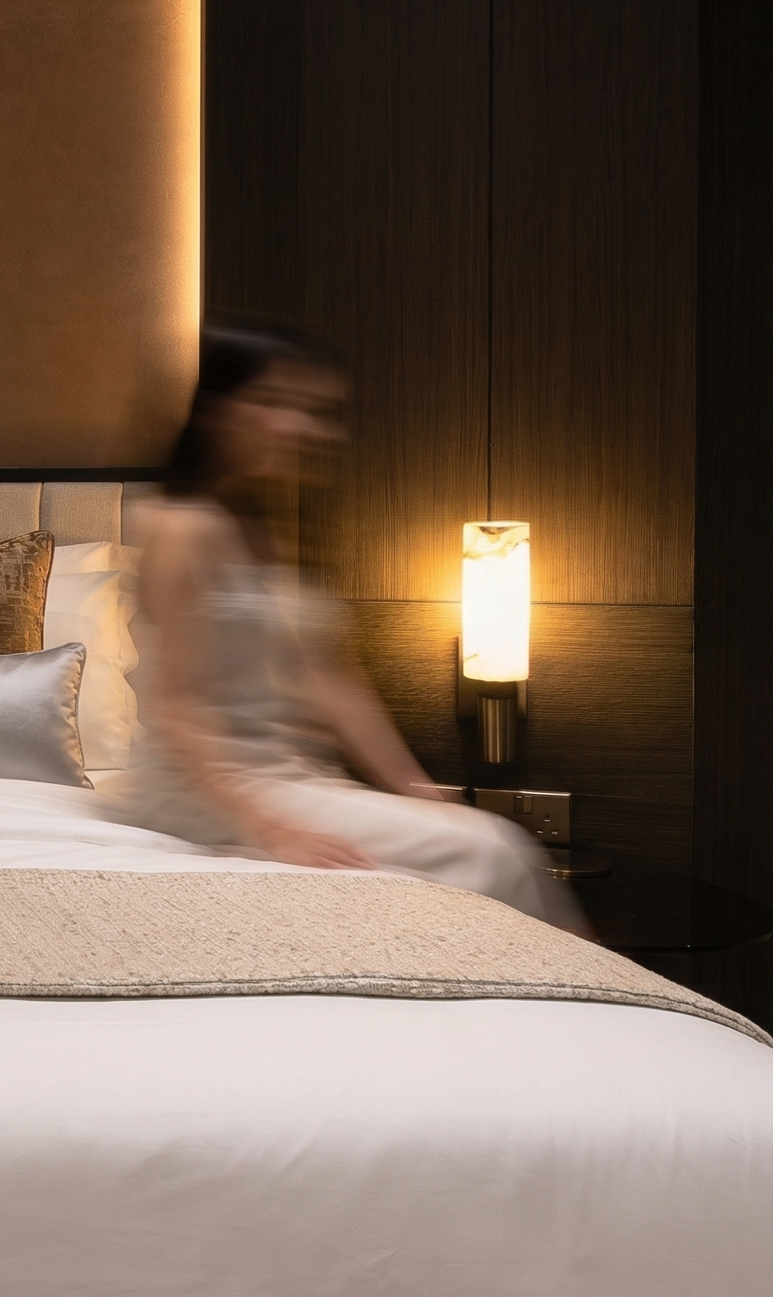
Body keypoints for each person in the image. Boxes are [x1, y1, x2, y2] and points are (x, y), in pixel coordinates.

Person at [106, 320, 583, 928]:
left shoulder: (270, 528)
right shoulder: (181, 528)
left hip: (291, 776)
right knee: (489, 850)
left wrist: (415, 790)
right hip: (201, 789)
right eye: (275, 404)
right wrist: (271, 833)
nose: (304, 429)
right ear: (217, 412)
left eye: (317, 411)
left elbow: (333, 682)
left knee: (479, 839)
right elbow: (175, 706)